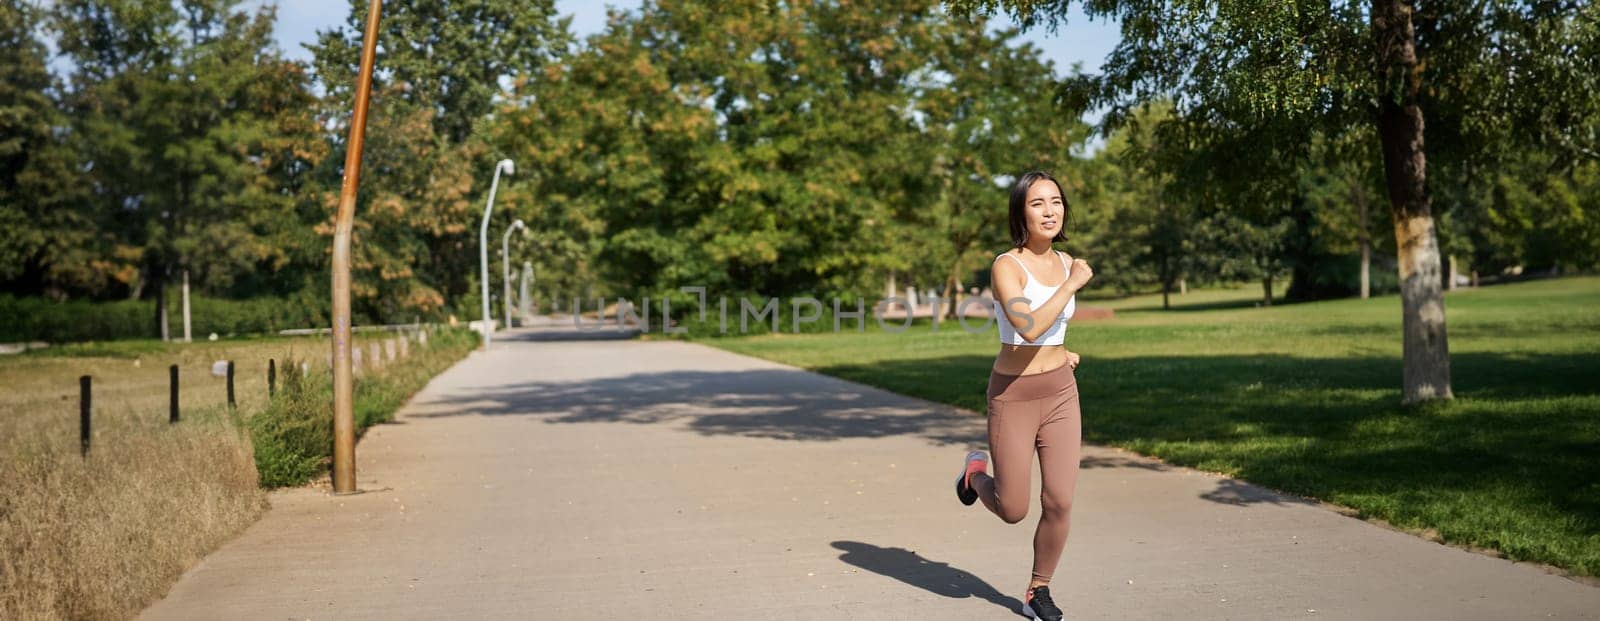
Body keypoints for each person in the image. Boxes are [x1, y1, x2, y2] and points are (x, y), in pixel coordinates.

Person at [955, 170, 1092, 621]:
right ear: (1021, 212)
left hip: (1059, 393)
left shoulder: (1065, 259)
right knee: (1013, 508)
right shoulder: (1006, 266)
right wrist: (1070, 284)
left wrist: (1062, 352)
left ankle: (1038, 590)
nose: (1050, 211)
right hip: (1013, 395)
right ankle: (975, 474)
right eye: (1038, 203)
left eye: (1056, 201)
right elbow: (1027, 326)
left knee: (1060, 501)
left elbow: (1051, 330)